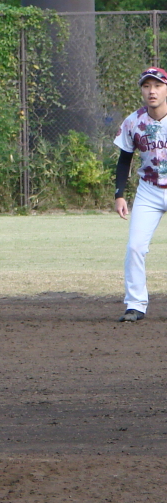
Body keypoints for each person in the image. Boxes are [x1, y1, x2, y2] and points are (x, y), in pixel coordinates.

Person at [114, 67, 167, 322]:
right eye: (146, 86)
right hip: (149, 190)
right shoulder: (133, 121)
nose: (152, 91)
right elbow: (125, 159)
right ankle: (135, 305)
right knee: (135, 247)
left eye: (157, 85)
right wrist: (119, 194)